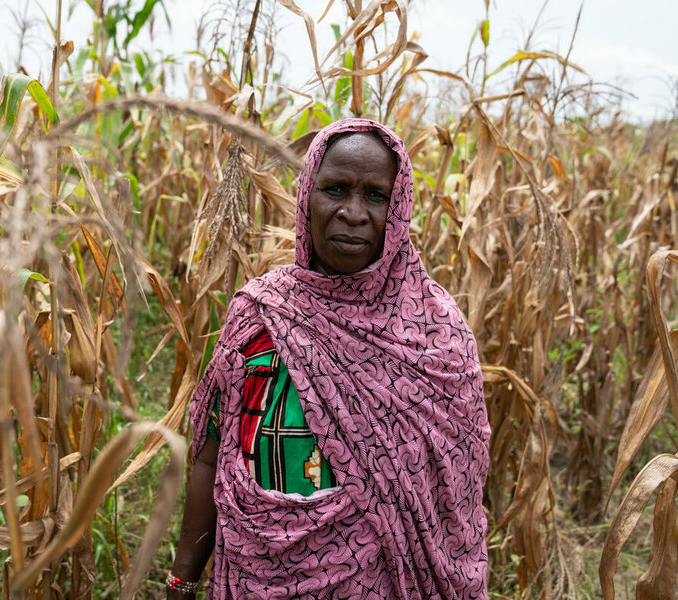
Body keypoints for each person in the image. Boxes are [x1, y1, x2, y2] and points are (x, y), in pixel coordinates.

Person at [167, 119, 490, 599]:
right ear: (306, 197)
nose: (354, 213)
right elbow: (212, 458)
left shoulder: (436, 335)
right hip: (256, 577)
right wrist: (182, 579)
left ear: (398, 207)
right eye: (335, 189)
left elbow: (454, 496)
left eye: (375, 195)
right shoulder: (261, 314)